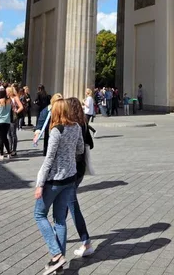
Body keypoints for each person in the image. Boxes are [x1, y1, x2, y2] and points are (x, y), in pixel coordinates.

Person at [34, 99, 84, 274]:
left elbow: (49, 159)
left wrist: (40, 184)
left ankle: (56, 255)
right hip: (70, 179)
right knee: (60, 220)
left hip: (54, 181)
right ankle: (59, 264)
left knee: (39, 214)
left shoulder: (57, 130)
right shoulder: (76, 127)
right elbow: (80, 150)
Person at [67, 97, 95, 257]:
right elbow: (90, 144)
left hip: (73, 168)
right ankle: (59, 234)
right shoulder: (83, 123)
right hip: (80, 167)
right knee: (66, 203)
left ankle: (86, 242)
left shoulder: (73, 125)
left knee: (71, 204)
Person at [0, 89, 12, 161]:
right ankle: (9, 153)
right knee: (5, 137)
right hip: (7, 121)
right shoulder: (9, 101)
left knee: (0, 138)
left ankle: (1, 154)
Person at [6, 86, 23, 156]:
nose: (6, 92)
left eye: (7, 91)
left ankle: (14, 150)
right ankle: (9, 149)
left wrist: (16, 111)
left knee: (13, 134)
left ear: (10, 92)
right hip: (7, 117)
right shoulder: (7, 98)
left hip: (13, 117)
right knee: (9, 134)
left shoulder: (15, 98)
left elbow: (21, 107)